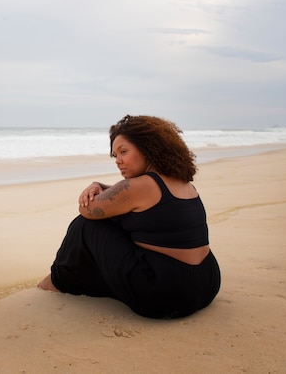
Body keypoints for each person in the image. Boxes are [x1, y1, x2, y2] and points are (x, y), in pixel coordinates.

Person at [38, 115, 220, 319]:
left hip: (166, 294)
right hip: (206, 283)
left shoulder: (139, 187)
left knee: (86, 225)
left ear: (148, 147)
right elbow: (127, 196)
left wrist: (96, 187)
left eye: (123, 152)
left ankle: (55, 282)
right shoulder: (183, 182)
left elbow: (87, 209)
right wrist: (104, 186)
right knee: (123, 222)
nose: (118, 161)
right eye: (115, 155)